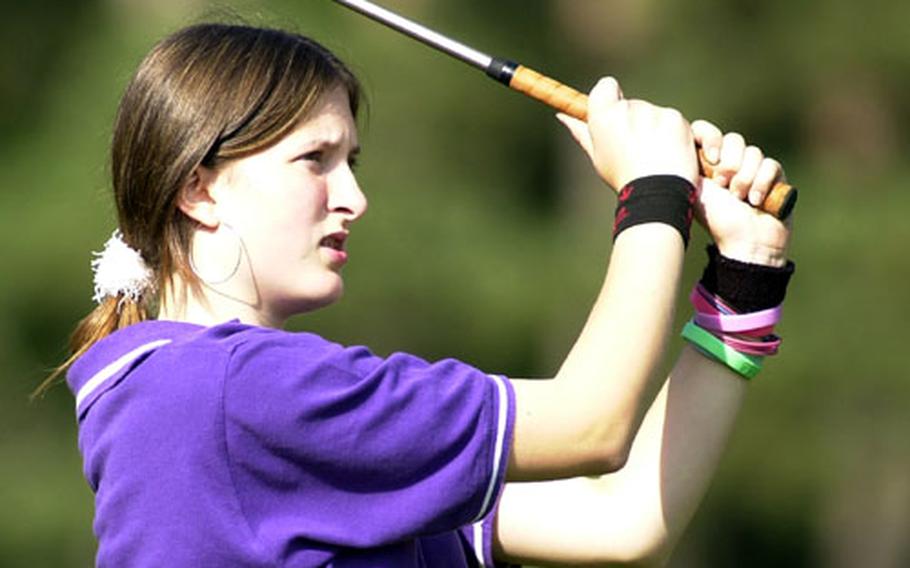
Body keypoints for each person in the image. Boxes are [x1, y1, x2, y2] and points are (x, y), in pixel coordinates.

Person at [45, 22, 795, 567]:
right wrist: (653, 192)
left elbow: (620, 522)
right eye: (316, 160)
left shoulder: (232, 406)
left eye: (353, 160)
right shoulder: (229, 392)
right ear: (198, 189)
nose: (355, 198)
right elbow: (589, 423)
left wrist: (744, 273)